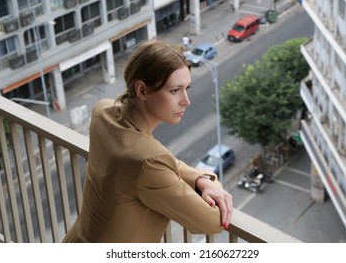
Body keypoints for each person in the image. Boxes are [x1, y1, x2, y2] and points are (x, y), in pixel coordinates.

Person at [62, 40, 233, 243]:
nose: (186, 100)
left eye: (187, 88)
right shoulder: (148, 162)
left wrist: (200, 179)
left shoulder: (102, 111)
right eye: (174, 90)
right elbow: (212, 222)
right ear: (142, 90)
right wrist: (214, 184)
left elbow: (157, 162)